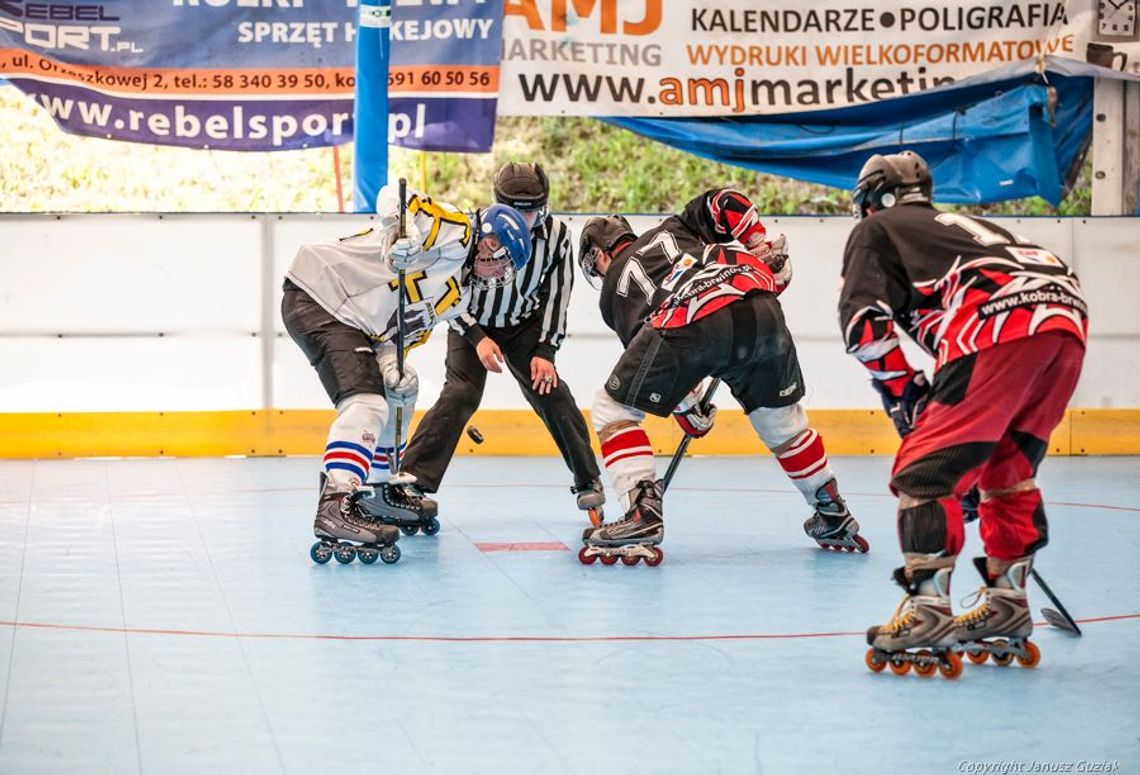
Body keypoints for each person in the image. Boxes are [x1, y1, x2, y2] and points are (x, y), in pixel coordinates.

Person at [843, 151, 1088, 675]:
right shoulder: (962, 226)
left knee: (926, 474)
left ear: (872, 199)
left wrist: (906, 395)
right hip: (1065, 318)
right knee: (1007, 471)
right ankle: (1007, 602)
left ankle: (928, 609)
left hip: (999, 320)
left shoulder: (877, 228)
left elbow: (863, 325)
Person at [576, 188, 864, 564]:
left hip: (689, 319)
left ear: (599, 255)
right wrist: (758, 244)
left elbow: (655, 353)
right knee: (782, 424)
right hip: (760, 305)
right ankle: (831, 509)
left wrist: (688, 410)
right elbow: (725, 200)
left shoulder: (614, 288)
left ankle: (642, 510)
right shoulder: (677, 228)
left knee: (613, 408)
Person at [282, 183, 531, 560]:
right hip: (323, 293)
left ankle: (381, 489)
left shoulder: (456, 293)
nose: (499, 269)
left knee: (401, 388)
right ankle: (336, 501)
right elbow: (392, 196)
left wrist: (387, 362)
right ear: (488, 238)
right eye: (500, 257)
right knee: (367, 404)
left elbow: (395, 330)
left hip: (358, 323)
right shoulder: (458, 232)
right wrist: (403, 232)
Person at [399, 162, 605, 522]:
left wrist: (546, 351)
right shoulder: (469, 229)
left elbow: (557, 297)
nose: (525, 219)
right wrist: (477, 336)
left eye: (532, 210)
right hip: (470, 322)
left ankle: (589, 481)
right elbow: (446, 291)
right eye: (515, 210)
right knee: (461, 393)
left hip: (524, 326)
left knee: (552, 392)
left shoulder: (557, 237)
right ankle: (413, 483)